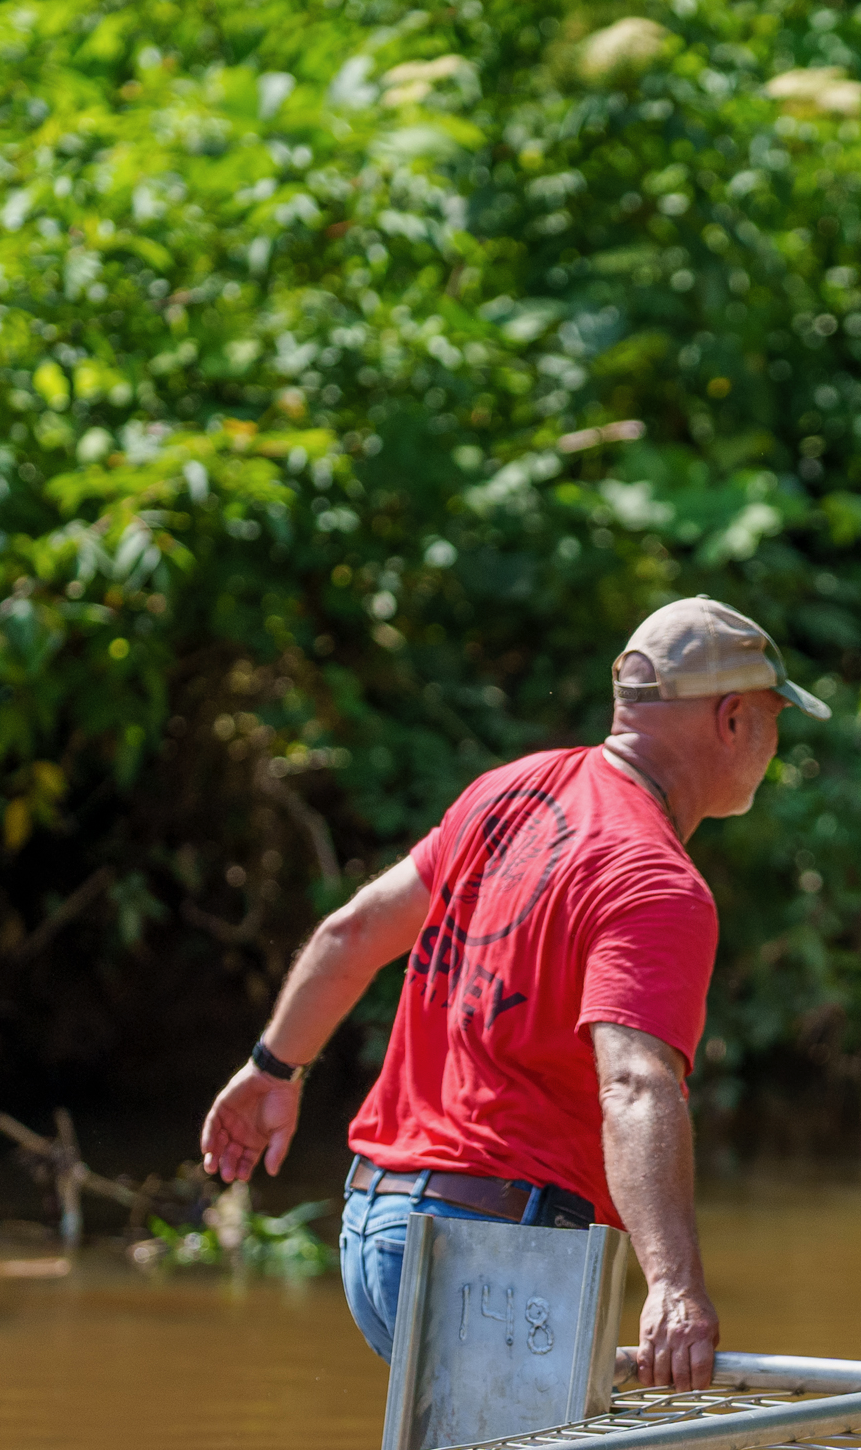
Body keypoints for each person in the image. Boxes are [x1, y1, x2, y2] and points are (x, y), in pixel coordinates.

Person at [199, 595, 827, 1393]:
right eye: (775, 717)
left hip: (376, 1226)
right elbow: (635, 1083)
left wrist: (272, 1069)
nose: (775, 744)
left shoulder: (513, 791)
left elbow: (351, 933)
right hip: (488, 1254)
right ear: (733, 719)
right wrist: (672, 1286)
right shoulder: (656, 883)